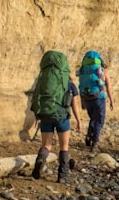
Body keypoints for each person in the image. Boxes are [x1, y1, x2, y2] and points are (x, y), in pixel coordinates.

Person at [29, 50, 82, 184]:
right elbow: (75, 106)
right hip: (62, 118)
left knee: (46, 145)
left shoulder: (43, 80)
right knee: (64, 147)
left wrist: (37, 115)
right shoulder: (69, 84)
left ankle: (40, 160)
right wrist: (79, 121)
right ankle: (62, 176)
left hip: (45, 115)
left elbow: (37, 99)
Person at [77, 50, 114, 149]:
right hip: (99, 98)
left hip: (87, 97)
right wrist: (112, 101)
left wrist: (82, 102)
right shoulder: (103, 71)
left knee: (93, 118)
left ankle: (89, 136)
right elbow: (108, 87)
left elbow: (80, 86)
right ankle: (95, 142)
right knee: (99, 120)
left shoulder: (83, 72)